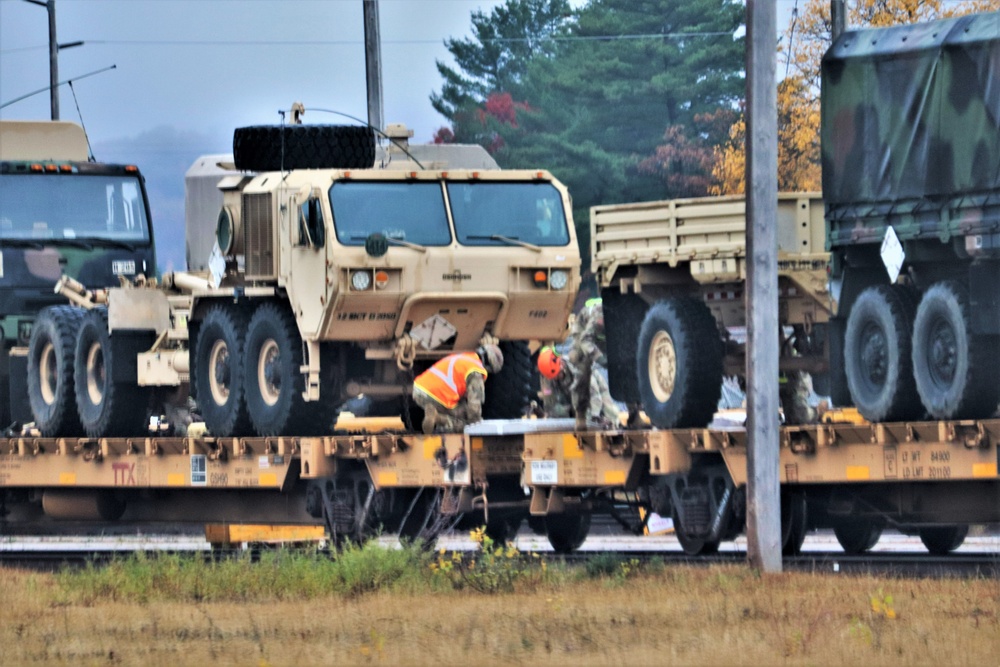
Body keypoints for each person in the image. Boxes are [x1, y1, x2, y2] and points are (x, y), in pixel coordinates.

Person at [568, 298, 642, 430]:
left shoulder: (628, 318)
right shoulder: (600, 317)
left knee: (625, 367)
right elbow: (586, 341)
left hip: (606, 337)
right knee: (582, 371)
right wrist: (600, 358)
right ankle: (580, 416)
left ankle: (634, 414)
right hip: (584, 334)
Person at [411, 344, 504, 434]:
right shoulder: (475, 371)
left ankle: (438, 421)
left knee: (460, 406)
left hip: (419, 389)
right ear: (488, 365)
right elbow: (474, 405)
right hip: (437, 396)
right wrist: (476, 424)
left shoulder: (465, 357)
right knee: (467, 419)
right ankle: (439, 419)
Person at [537, 344, 621, 428]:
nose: (555, 379)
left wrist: (594, 417)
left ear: (561, 364)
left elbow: (595, 395)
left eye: (557, 375)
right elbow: (549, 402)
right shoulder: (547, 375)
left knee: (609, 419)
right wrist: (558, 412)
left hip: (597, 396)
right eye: (552, 377)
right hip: (573, 399)